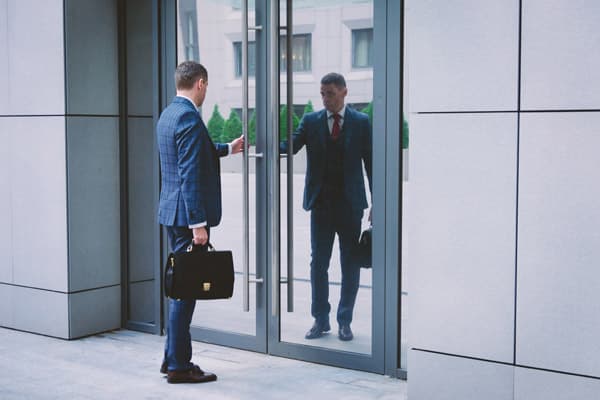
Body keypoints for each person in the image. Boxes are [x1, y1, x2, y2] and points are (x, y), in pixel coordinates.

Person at [157, 61, 244, 383]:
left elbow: (186, 157)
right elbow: (190, 174)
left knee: (181, 285)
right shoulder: (190, 119)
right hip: (185, 216)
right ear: (201, 84)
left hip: (171, 211)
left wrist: (226, 149)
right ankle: (180, 365)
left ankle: (171, 359)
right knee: (185, 290)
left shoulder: (169, 114)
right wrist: (198, 225)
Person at [281, 73, 372, 341]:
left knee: (349, 263)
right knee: (318, 264)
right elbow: (292, 146)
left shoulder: (361, 122)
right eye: (322, 93)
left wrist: (378, 202)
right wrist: (262, 143)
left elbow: (371, 163)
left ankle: (345, 320)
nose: (325, 98)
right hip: (320, 204)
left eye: (330, 93)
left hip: (350, 206)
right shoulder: (311, 121)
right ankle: (321, 320)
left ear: (344, 92)